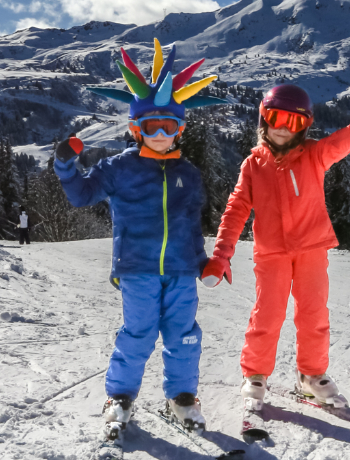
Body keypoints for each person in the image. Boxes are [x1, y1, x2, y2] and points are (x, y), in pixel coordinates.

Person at [60, 39, 228, 431]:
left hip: (183, 270)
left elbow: (191, 222)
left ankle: (182, 397)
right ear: (137, 128)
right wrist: (66, 166)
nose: (160, 132)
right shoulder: (119, 168)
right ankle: (120, 396)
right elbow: (83, 195)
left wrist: (204, 262)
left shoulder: (188, 172)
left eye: (169, 125)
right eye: (151, 125)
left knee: (184, 335)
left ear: (179, 129)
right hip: (137, 268)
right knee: (138, 333)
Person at [202, 84, 350, 411]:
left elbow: (337, 144)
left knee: (314, 313)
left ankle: (312, 376)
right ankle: (256, 374)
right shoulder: (253, 165)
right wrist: (221, 255)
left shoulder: (313, 155)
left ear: (304, 126)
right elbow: (235, 210)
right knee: (268, 314)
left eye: (294, 122)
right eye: (276, 118)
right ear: (264, 119)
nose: (284, 128)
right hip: (271, 252)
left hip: (311, 248)